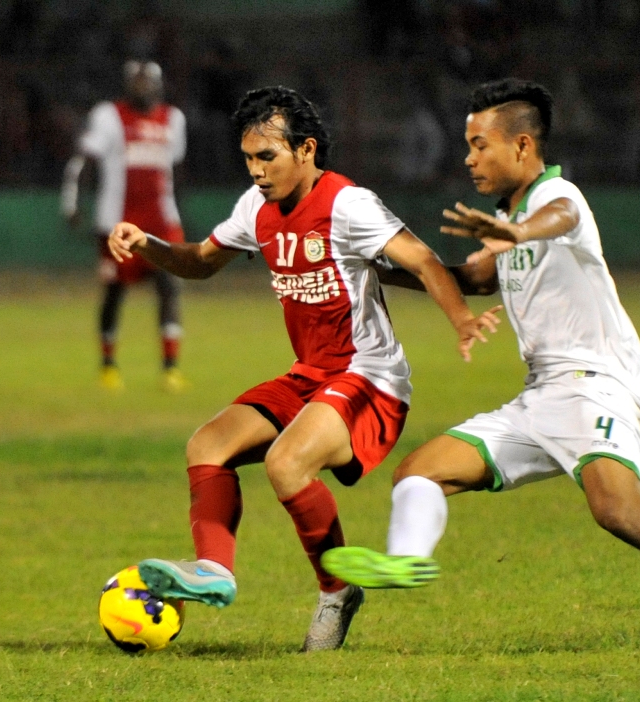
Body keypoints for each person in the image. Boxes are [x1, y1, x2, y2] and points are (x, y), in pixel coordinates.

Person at [322, 78, 640, 659]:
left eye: (481, 145)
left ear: (523, 147)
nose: (469, 158)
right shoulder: (508, 216)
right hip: (541, 396)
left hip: (597, 384)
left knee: (621, 514)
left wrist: (516, 231)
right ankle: (406, 560)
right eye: (469, 145)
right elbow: (474, 279)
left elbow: (554, 219)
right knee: (420, 473)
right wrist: (379, 266)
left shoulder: (560, 198)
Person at [106, 86, 499, 651]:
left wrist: (461, 318)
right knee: (207, 445)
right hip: (311, 373)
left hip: (371, 378)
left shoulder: (348, 204)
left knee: (287, 463)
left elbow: (420, 258)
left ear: (306, 149)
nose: (257, 172)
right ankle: (215, 568)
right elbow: (198, 263)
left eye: (267, 157)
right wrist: (146, 243)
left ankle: (337, 592)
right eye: (248, 159)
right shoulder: (256, 208)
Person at [62, 60, 189, 392]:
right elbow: (83, 160)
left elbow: (173, 168)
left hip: (162, 223)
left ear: (160, 85)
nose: (142, 87)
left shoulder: (174, 119)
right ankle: (108, 365)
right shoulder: (108, 116)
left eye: (148, 81)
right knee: (115, 292)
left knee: (170, 287)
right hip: (117, 224)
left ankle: (170, 367)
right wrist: (72, 201)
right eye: (136, 81)